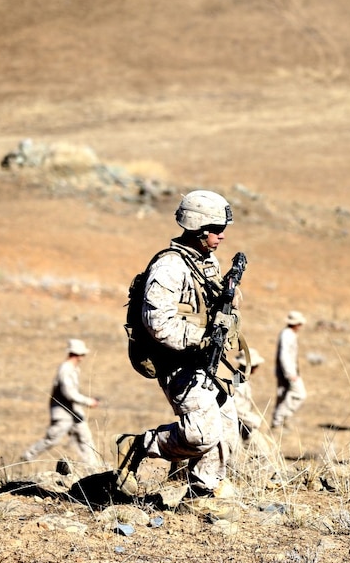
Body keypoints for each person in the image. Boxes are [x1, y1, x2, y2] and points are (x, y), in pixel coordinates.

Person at [115, 190, 243, 498]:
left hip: (209, 360)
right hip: (179, 362)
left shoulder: (204, 261)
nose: (222, 236)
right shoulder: (169, 267)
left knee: (226, 433)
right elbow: (157, 323)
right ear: (198, 228)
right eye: (216, 229)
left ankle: (201, 495)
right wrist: (200, 338)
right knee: (201, 436)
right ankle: (139, 445)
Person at [21, 338, 102, 469]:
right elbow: (68, 392)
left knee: (85, 438)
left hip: (74, 411)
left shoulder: (72, 369)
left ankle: (94, 467)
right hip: (63, 413)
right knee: (52, 439)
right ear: (77, 354)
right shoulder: (66, 369)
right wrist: (88, 401)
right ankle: (26, 457)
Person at [271, 310, 307, 429]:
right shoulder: (287, 334)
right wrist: (290, 373)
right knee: (299, 394)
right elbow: (284, 355)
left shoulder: (289, 333)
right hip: (288, 372)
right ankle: (280, 419)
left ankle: (278, 422)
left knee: (283, 395)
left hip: (286, 371)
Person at [233, 347, 268, 448]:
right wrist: (252, 420)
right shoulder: (237, 380)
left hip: (244, 423)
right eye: (256, 365)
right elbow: (236, 406)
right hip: (239, 423)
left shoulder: (243, 377)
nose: (257, 367)